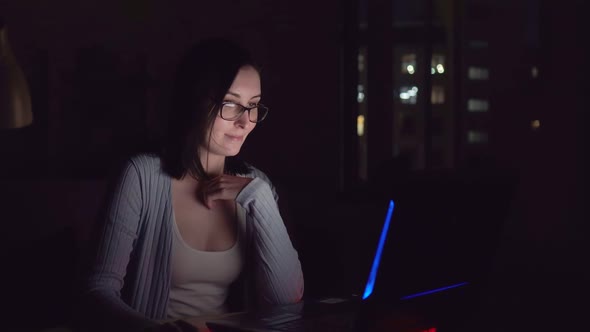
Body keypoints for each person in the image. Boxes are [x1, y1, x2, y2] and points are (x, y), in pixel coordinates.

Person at [75, 38, 304, 332]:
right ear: (195, 101)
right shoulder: (142, 176)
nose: (245, 121)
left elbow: (287, 302)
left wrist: (259, 198)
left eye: (254, 106)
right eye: (231, 103)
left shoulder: (257, 187)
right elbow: (97, 290)